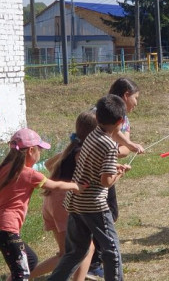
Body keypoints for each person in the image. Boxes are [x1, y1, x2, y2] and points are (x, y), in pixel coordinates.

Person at [47, 94, 131, 281]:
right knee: (112, 250)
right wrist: (119, 173)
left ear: (98, 117)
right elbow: (106, 182)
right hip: (94, 206)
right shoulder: (109, 145)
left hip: (75, 203)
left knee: (76, 252)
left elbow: (93, 165)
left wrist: (112, 168)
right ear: (120, 121)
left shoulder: (92, 135)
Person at [0, 128, 81, 280]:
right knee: (22, 274)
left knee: (30, 260)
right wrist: (75, 186)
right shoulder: (28, 174)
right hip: (7, 229)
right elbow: (55, 186)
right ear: (31, 150)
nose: (40, 153)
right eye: (39, 149)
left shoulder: (0, 170)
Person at [29, 111, 97, 280]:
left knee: (64, 253)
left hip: (51, 200)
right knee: (86, 248)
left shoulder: (72, 148)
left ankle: (22, 276)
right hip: (64, 203)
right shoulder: (81, 152)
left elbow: (47, 163)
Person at [87, 77, 140, 279]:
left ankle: (89, 261)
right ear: (126, 95)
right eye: (135, 98)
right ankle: (93, 262)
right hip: (100, 170)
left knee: (102, 215)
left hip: (95, 167)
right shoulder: (115, 116)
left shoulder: (102, 109)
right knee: (106, 215)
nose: (136, 103)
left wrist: (129, 146)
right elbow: (115, 141)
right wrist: (127, 150)